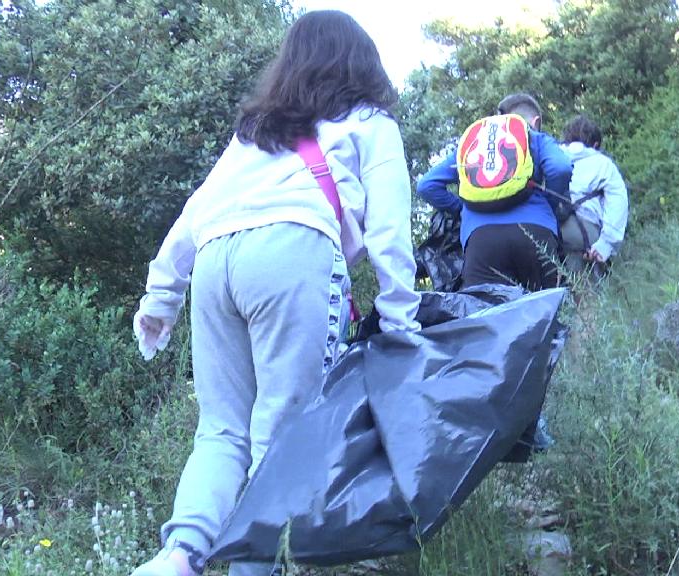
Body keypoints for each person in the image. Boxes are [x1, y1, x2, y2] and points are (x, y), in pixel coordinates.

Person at [129, 10, 421, 576]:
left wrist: (160, 299)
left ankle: (181, 554)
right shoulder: (369, 122)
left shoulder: (257, 134)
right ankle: (254, 567)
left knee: (220, 429)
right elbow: (389, 231)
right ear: (362, 62)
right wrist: (402, 324)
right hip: (293, 251)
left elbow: (195, 213)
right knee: (281, 436)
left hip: (216, 261)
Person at [416, 93, 572, 291]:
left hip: (481, 241)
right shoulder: (537, 138)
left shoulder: (474, 146)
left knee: (488, 317)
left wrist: (462, 209)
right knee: (549, 314)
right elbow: (560, 168)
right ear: (536, 121)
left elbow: (426, 185)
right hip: (535, 233)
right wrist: (549, 203)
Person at [558, 115, 629, 279]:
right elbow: (618, 204)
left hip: (550, 230)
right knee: (586, 298)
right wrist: (605, 245)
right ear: (596, 144)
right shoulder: (603, 163)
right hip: (584, 233)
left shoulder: (552, 156)